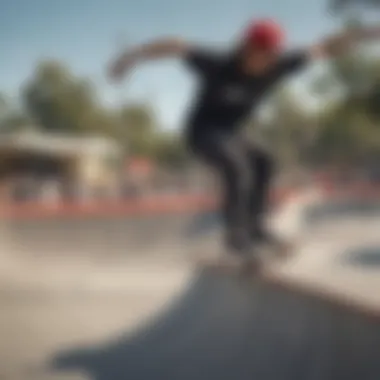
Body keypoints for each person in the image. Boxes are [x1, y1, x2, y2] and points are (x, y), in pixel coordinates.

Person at [108, 19, 380, 261]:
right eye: (257, 55)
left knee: (265, 161)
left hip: (233, 133)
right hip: (202, 132)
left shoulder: (279, 66)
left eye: (268, 57)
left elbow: (324, 47)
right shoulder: (218, 64)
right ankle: (236, 237)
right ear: (246, 47)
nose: (261, 64)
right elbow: (177, 45)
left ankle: (257, 227)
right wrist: (131, 57)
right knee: (237, 166)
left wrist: (365, 33)